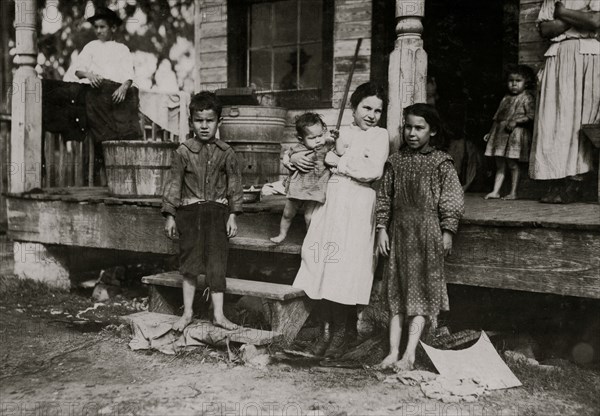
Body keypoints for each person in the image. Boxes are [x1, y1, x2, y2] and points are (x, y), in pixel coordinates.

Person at [291, 82, 390, 358]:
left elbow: (371, 170)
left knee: (347, 269)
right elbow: (311, 152)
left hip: (358, 203)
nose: (371, 115)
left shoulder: (380, 136)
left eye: (377, 110)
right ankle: (326, 330)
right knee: (323, 264)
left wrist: (338, 161)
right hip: (332, 199)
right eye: (366, 108)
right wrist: (295, 156)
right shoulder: (339, 133)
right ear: (353, 108)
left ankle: (344, 332)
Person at [375, 103, 464, 371]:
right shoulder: (395, 161)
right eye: (408, 127)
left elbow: (452, 199)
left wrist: (447, 231)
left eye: (419, 128)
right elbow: (384, 198)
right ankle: (392, 352)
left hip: (427, 235)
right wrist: (381, 228)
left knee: (420, 296)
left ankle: (410, 355)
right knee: (397, 294)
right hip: (399, 234)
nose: (412, 133)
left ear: (432, 131)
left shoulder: (441, 163)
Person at [162, 92, 243, 332]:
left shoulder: (226, 152)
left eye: (210, 120)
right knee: (189, 264)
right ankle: (187, 313)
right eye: (199, 121)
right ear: (191, 122)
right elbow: (173, 183)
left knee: (216, 264)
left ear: (219, 121)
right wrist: (169, 215)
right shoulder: (183, 151)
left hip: (217, 214)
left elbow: (235, 185)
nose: (204, 126)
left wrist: (233, 215)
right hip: (189, 215)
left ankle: (218, 314)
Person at [529, 0, 600, 203]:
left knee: (581, 119)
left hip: (588, 57)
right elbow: (546, 29)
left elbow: (595, 21)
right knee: (553, 120)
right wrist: (577, 16)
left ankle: (575, 180)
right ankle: (557, 178)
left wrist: (563, 13)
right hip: (557, 56)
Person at [270, 113, 334, 244]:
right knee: (287, 213)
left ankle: (310, 239)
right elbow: (287, 156)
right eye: (312, 138)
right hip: (297, 188)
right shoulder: (297, 148)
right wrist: (290, 158)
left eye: (320, 135)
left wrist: (336, 139)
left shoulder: (326, 146)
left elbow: (338, 150)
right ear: (301, 139)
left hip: (315, 189)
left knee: (309, 216)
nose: (317, 140)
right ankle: (282, 234)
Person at [484, 65, 536, 200]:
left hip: (514, 135)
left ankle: (513, 192)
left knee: (512, 164)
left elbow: (531, 115)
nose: (513, 84)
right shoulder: (506, 98)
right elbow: (497, 117)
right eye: (511, 81)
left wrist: (516, 121)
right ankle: (495, 191)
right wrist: (490, 132)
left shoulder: (527, 98)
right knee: (499, 163)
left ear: (526, 83)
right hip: (500, 134)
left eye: (518, 81)